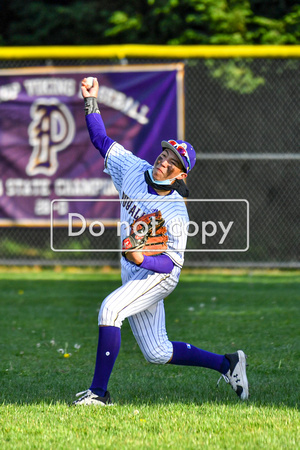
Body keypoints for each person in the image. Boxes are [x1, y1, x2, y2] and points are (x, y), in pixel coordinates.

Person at [73, 77, 249, 405]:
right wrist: (91, 101)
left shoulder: (175, 212)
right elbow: (100, 138)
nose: (164, 159)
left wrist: (141, 259)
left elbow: (169, 262)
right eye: (165, 152)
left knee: (110, 309)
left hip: (160, 275)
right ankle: (228, 363)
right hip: (136, 270)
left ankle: (99, 395)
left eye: (173, 161)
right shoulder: (132, 168)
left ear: (180, 176)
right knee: (157, 351)